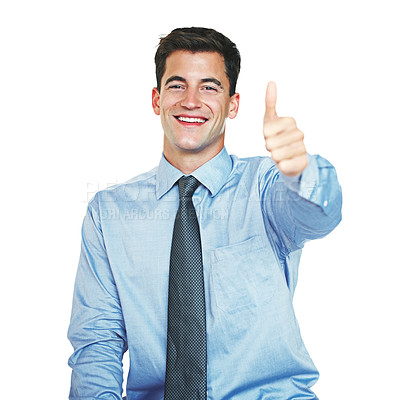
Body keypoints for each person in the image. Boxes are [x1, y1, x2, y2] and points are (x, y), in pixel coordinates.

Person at [68, 27, 342, 400]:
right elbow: (97, 340)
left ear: (233, 104)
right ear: (156, 99)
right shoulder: (109, 212)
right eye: (177, 85)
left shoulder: (265, 187)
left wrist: (302, 170)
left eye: (209, 87)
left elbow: (319, 215)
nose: (191, 101)